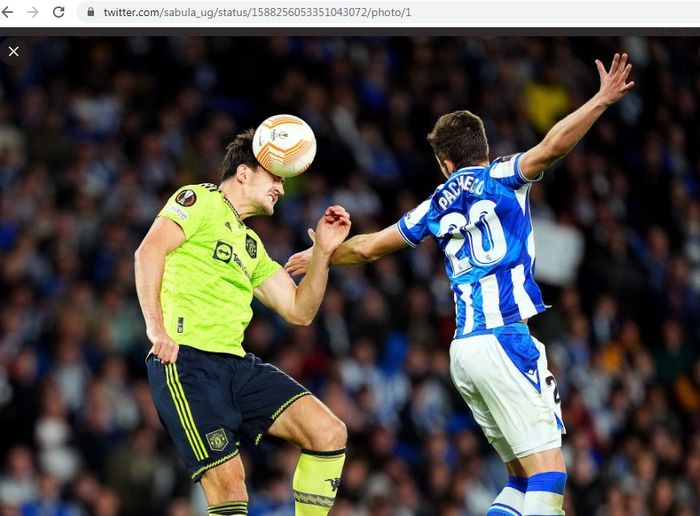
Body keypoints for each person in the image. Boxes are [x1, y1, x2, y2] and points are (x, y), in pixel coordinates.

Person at [285, 54, 635, 515]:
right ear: (481, 150)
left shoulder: (435, 203)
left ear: (445, 163)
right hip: (506, 339)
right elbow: (552, 146)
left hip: (464, 351)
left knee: (520, 477)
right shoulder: (502, 176)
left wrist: (323, 253)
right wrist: (601, 100)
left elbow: (369, 247)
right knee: (550, 474)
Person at [134, 128, 351, 516]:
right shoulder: (199, 199)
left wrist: (323, 253)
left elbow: (300, 311)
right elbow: (148, 251)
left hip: (236, 365)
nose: (282, 190)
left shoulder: (251, 246)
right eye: (276, 178)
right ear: (245, 173)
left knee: (328, 431)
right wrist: (156, 329)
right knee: (231, 488)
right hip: (187, 363)